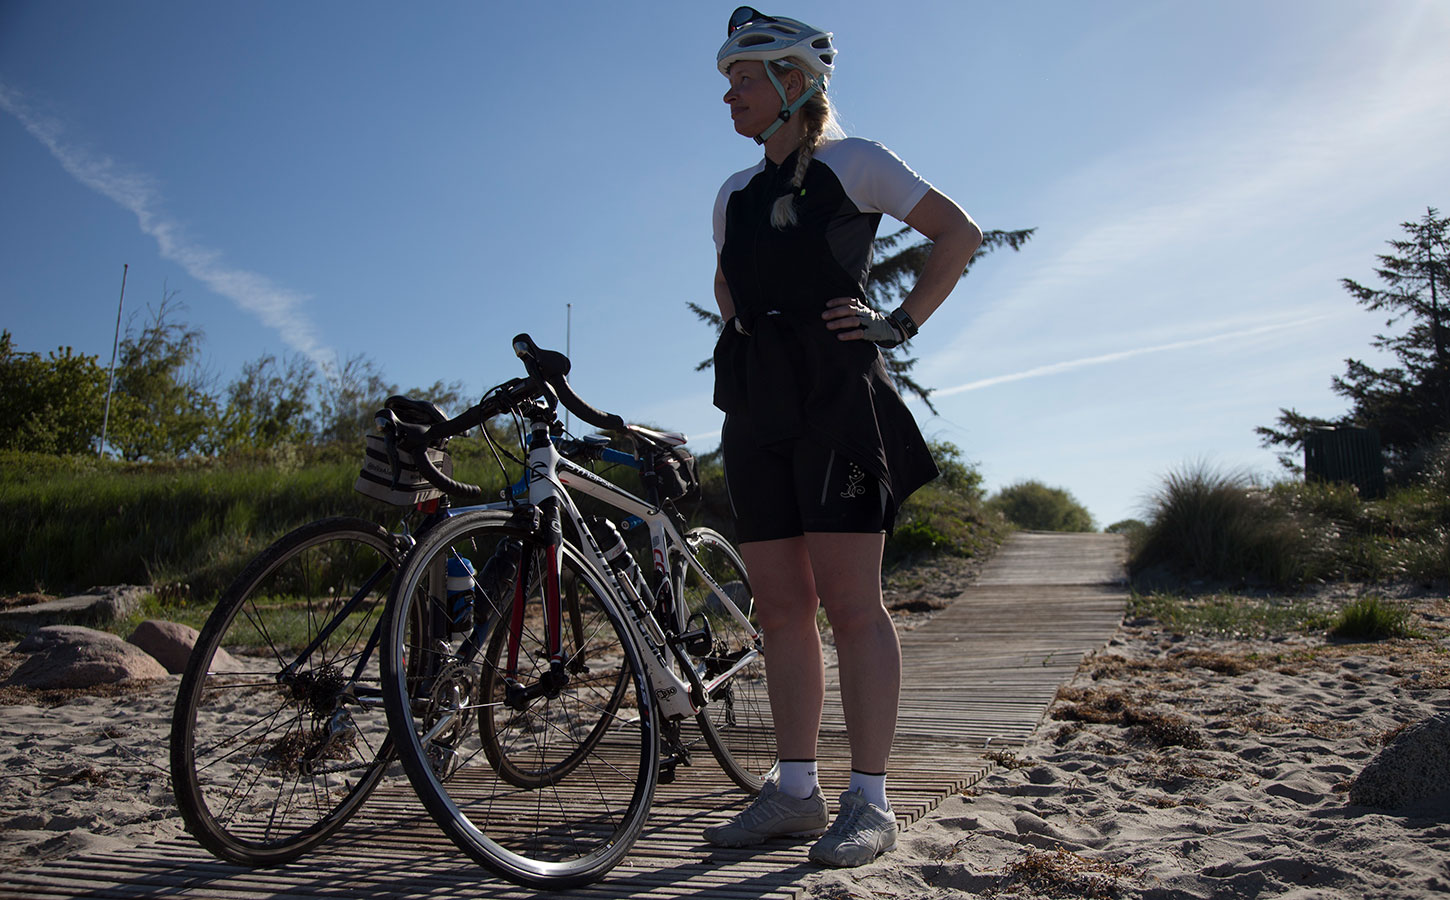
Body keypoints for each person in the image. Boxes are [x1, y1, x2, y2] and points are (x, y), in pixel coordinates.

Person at [702, 6, 983, 869]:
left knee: (854, 604)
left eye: (743, 81)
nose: (730, 98)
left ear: (794, 82)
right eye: (728, 84)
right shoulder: (733, 194)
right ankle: (795, 791)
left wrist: (895, 324)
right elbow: (727, 289)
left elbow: (958, 233)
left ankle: (869, 801)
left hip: (838, 400)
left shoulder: (856, 163)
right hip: (757, 411)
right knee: (781, 607)